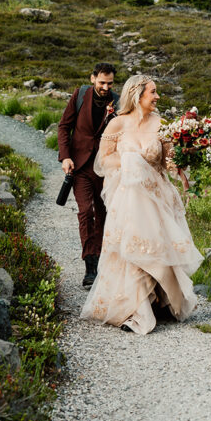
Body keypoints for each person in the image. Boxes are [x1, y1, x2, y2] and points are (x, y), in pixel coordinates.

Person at [80, 74, 203, 334]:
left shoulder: (161, 124)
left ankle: (158, 300)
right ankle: (136, 309)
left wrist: (184, 155)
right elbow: (103, 161)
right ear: (137, 95)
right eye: (153, 92)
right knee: (132, 247)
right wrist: (131, 162)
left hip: (156, 196)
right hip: (128, 195)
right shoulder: (117, 124)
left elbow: (168, 161)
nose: (157, 97)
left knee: (155, 245)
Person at [57, 62, 119, 287]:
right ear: (93, 78)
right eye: (102, 82)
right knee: (86, 212)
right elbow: (64, 126)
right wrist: (65, 156)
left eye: (109, 83)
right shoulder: (80, 94)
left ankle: (102, 259)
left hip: (107, 167)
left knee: (103, 213)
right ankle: (90, 265)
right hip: (80, 166)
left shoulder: (119, 102)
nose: (105, 87)